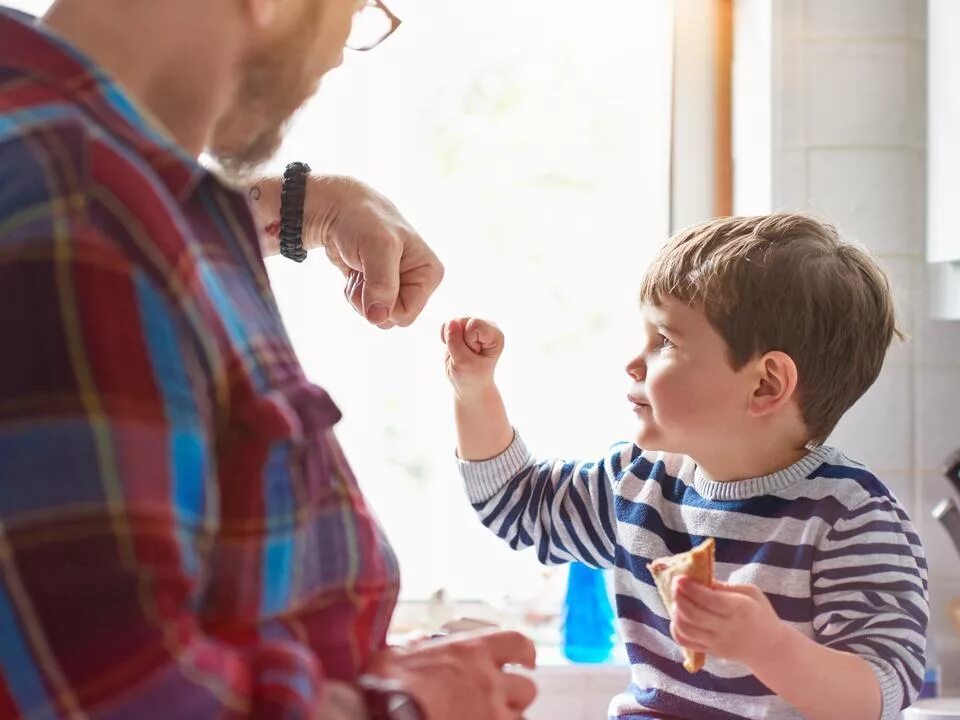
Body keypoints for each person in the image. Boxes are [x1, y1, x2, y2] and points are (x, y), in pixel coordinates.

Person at [0, 1, 537, 718]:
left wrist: (304, 206)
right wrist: (409, 705)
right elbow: (125, 697)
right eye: (355, 6)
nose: (344, 46)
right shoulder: (73, 209)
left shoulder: (59, 165)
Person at [442, 213, 929, 720]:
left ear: (764, 385)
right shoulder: (639, 484)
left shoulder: (849, 518)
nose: (634, 363)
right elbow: (517, 504)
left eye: (666, 341)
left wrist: (768, 646)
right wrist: (474, 391)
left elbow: (881, 694)